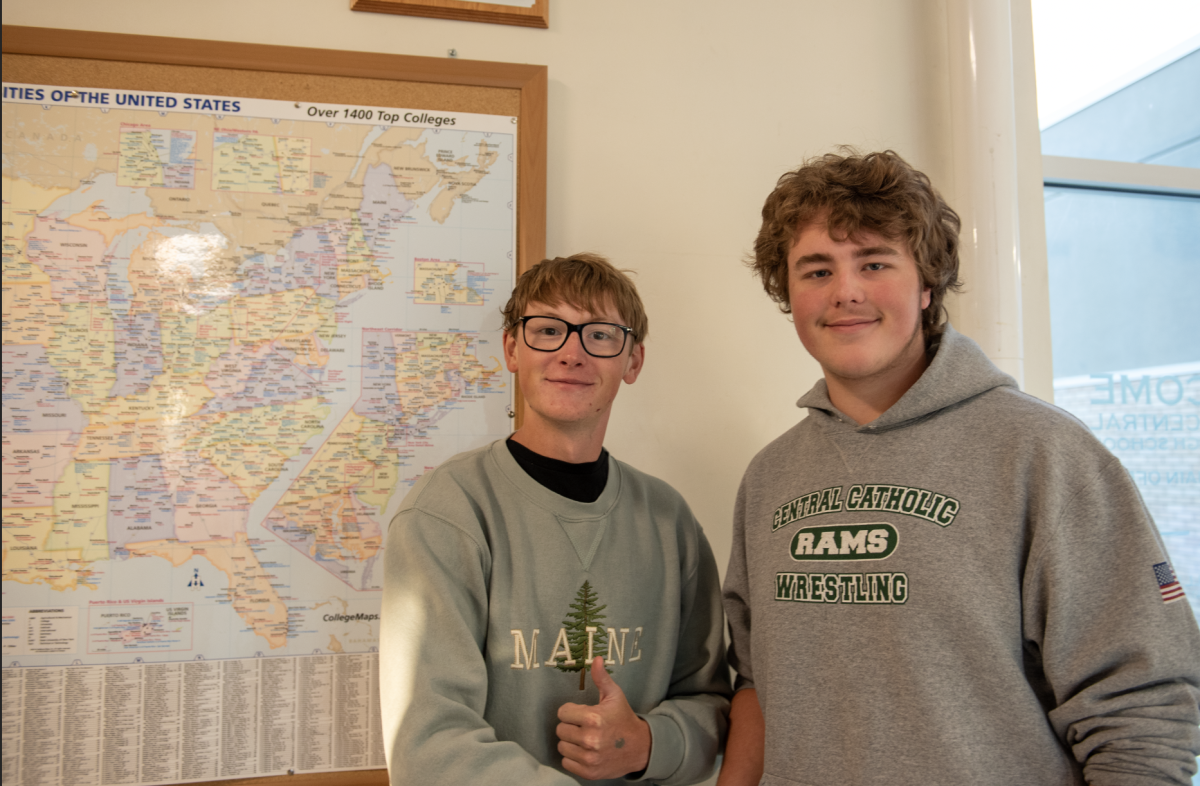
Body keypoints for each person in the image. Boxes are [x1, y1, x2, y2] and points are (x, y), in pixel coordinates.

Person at [719, 150, 1200, 786]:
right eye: (816, 270)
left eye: (874, 262)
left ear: (926, 284)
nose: (846, 291)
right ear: (789, 294)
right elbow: (757, 686)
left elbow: (1145, 713)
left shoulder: (1044, 454)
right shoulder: (770, 477)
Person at [381, 253, 731, 785]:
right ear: (512, 349)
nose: (572, 353)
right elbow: (429, 746)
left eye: (601, 335)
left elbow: (712, 704)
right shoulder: (447, 512)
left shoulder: (669, 521)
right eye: (548, 330)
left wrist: (647, 744)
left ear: (632, 361)